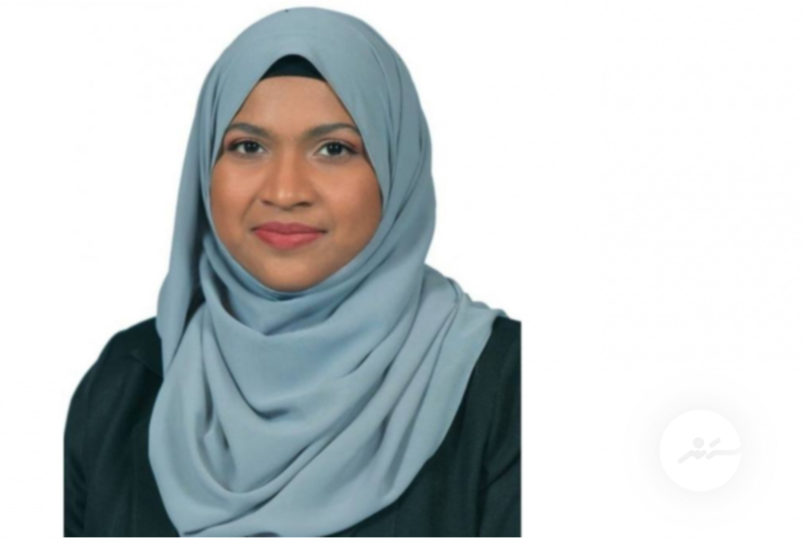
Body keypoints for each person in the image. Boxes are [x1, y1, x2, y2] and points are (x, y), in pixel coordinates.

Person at [65, 7, 520, 537]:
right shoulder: (127, 381)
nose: (285, 191)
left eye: (334, 149)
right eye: (248, 146)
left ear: (397, 169)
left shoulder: (505, 386)